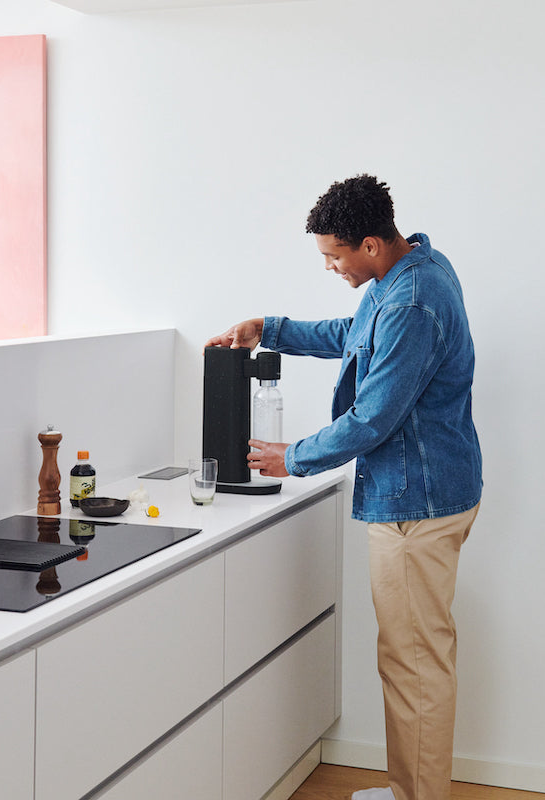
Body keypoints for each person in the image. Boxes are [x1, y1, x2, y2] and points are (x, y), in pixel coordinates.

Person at [206, 174, 482, 800]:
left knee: (414, 665)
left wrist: (292, 457)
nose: (331, 266)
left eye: (335, 255)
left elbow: (374, 417)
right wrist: (266, 327)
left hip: (418, 501)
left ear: (371, 244)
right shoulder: (409, 273)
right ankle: (411, 790)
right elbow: (349, 337)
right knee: (414, 657)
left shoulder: (412, 302)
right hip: (431, 489)